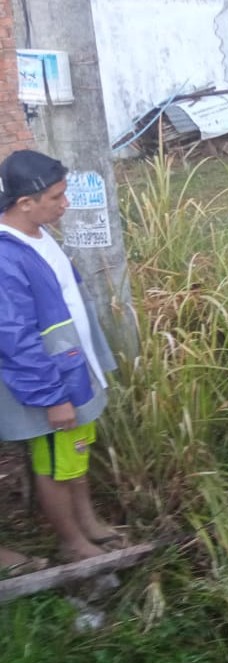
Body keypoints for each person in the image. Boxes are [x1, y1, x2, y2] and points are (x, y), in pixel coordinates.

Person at [0, 150, 119, 563]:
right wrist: (52, 397)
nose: (65, 204)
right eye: (56, 197)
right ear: (25, 203)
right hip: (48, 384)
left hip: (70, 372)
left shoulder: (37, 234)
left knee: (76, 450)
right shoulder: (5, 256)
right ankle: (71, 541)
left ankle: (86, 521)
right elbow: (15, 338)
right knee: (52, 460)